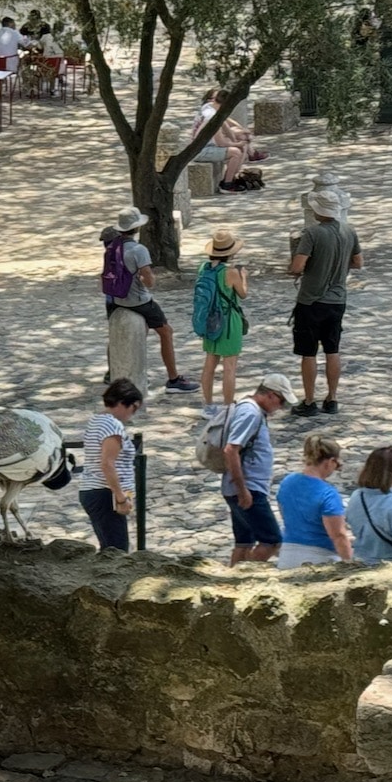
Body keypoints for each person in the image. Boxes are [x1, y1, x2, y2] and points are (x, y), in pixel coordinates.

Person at [106, 208, 201, 394]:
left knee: (130, 332)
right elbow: (148, 279)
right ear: (137, 228)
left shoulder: (112, 247)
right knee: (166, 332)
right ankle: (173, 378)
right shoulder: (138, 250)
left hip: (116, 299)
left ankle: (114, 372)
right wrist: (148, 281)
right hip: (137, 300)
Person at [288, 189, 362, 416]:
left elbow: (298, 266)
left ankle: (309, 401)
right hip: (337, 300)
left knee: (308, 352)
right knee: (333, 349)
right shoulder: (349, 231)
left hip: (311, 300)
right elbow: (358, 263)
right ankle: (332, 398)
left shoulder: (312, 234)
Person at [221, 374, 295, 565]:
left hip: (242, 487)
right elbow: (231, 449)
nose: (281, 407)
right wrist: (243, 490)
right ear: (270, 395)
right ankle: (242, 579)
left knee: (244, 542)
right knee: (272, 541)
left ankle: (229, 581)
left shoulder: (250, 409)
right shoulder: (251, 413)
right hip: (248, 488)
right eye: (281, 401)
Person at [78, 378, 144, 551]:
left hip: (97, 492)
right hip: (105, 494)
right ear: (123, 403)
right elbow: (107, 464)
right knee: (116, 551)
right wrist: (120, 498)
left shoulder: (97, 420)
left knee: (111, 547)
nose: (133, 414)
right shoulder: (112, 426)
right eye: (134, 408)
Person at [276, 434, 351, 567]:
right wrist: (349, 563)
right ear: (330, 462)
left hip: (287, 555)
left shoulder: (287, 482)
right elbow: (338, 536)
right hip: (319, 558)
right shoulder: (328, 494)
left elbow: (285, 514)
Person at [197, 229, 248, 413]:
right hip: (228, 321)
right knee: (229, 367)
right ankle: (228, 406)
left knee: (209, 363)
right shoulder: (231, 272)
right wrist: (244, 277)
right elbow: (242, 294)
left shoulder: (204, 268)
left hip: (210, 320)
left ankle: (208, 405)